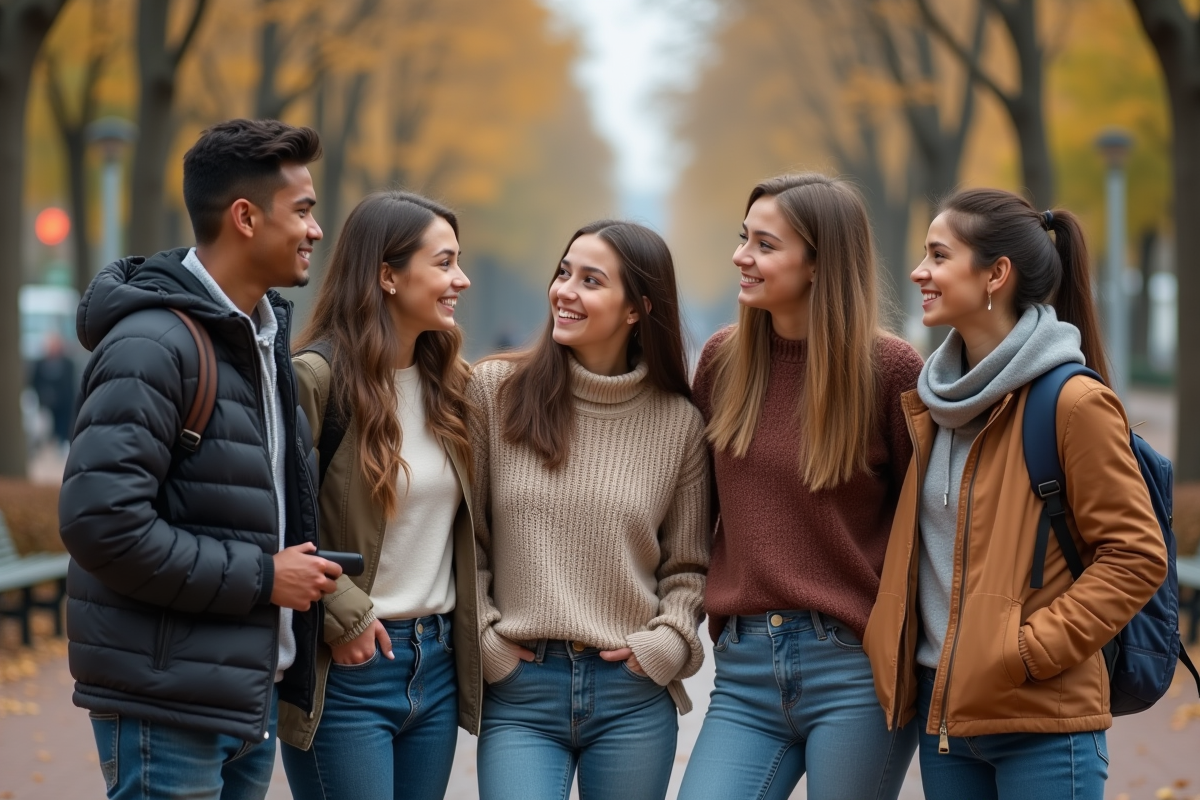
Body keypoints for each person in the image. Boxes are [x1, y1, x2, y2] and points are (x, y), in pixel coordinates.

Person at [59, 118, 341, 800]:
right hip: (169, 704)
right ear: (245, 217)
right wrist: (263, 577)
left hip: (241, 696)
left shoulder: (262, 339)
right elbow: (101, 523)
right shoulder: (153, 346)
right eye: (302, 210)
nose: (316, 229)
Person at [862, 188, 1168, 800]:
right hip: (946, 724)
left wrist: (1023, 652)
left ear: (995, 274)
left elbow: (1136, 556)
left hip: (1044, 726)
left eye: (939, 255)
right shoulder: (932, 404)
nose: (920, 271)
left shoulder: (1073, 403)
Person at [678, 173, 923, 800]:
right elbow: (691, 509)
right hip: (744, 668)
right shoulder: (723, 361)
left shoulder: (891, 370)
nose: (742, 256)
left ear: (819, 264)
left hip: (855, 669)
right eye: (743, 238)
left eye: (765, 244)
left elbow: (924, 522)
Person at [468, 220, 710, 800]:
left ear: (636, 310)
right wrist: (486, 641)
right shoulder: (494, 392)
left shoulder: (679, 424)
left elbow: (690, 568)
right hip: (521, 689)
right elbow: (466, 540)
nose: (564, 291)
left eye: (591, 280)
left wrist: (666, 645)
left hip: (631, 694)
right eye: (563, 272)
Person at [277, 191, 478, 800]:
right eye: (443, 263)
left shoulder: (456, 388)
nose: (460, 279)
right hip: (349, 667)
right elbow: (271, 514)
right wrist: (345, 616)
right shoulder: (315, 378)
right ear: (388, 275)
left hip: (436, 665)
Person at [30, 332, 77, 448]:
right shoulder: (39, 364)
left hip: (64, 407)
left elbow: (70, 385)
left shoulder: (68, 364)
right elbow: (34, 383)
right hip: (46, 407)